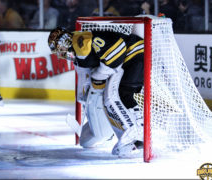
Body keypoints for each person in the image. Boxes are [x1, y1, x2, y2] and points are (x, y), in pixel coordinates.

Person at [48, 27, 144, 158]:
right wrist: (83, 98)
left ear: (65, 42)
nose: (61, 54)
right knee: (124, 95)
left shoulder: (81, 42)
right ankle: (140, 131)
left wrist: (99, 76)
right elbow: (84, 77)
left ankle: (133, 137)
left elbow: (117, 52)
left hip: (134, 55)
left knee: (113, 97)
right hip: (133, 57)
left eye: (60, 49)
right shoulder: (78, 49)